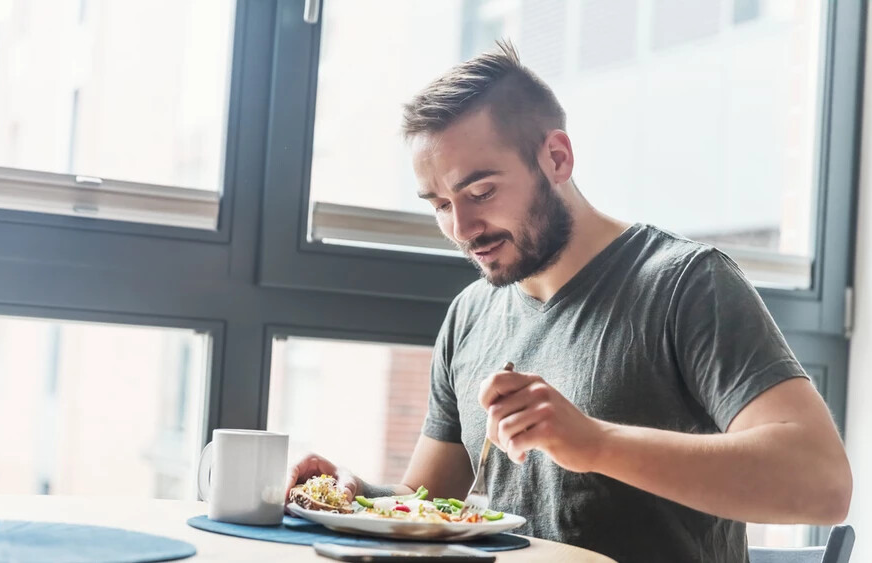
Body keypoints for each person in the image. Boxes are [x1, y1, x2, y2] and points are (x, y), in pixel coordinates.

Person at [286, 41, 852, 562]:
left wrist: (596, 443)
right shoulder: (470, 314)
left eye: (481, 191)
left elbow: (821, 485)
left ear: (557, 158)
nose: (461, 228)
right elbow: (427, 500)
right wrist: (356, 496)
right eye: (439, 204)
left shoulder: (686, 284)